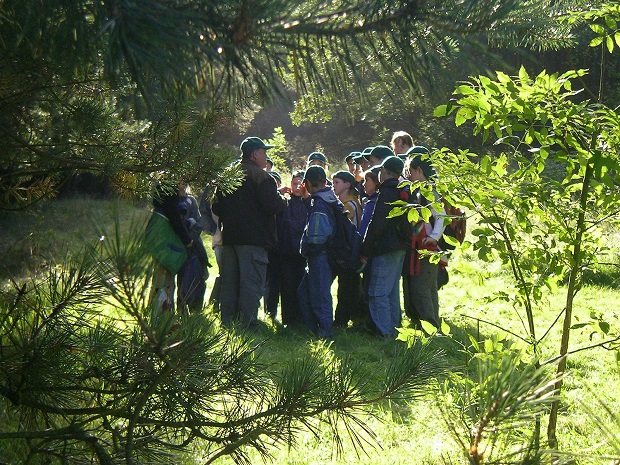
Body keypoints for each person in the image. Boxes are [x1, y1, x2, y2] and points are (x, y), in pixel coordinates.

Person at [212, 136, 288, 331]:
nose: (266, 156)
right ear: (255, 154)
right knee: (251, 284)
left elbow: (216, 206)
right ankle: (248, 326)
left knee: (230, 283)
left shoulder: (228, 176)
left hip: (230, 239)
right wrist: (283, 198)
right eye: (264, 152)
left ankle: (228, 323)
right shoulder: (262, 177)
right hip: (254, 241)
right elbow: (273, 205)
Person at [360, 156, 409, 338]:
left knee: (377, 292)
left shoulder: (387, 192)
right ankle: (395, 329)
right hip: (399, 247)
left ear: (386, 172)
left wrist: (365, 248)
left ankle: (386, 333)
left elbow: (377, 223)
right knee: (391, 291)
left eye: (380, 171)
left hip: (385, 247)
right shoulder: (402, 191)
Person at [403, 153, 446, 330]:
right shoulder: (424, 190)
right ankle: (433, 325)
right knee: (429, 288)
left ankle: (430, 326)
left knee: (421, 289)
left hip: (428, 248)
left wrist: (433, 237)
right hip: (425, 247)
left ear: (419, 170)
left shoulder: (429, 192)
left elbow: (442, 215)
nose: (409, 176)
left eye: (411, 171)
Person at [298, 165, 341, 339]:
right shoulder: (329, 198)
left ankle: (324, 333)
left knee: (320, 297)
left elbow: (318, 234)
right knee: (305, 292)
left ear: (307, 182)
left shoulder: (320, 203)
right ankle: (314, 329)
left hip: (319, 256)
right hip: (325, 255)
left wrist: (307, 248)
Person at [144, 181, 193, 313]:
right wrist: (187, 239)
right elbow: (174, 216)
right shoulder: (169, 188)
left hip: (156, 233)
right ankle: (161, 317)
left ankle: (157, 314)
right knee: (165, 280)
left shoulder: (161, 185)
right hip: (164, 235)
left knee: (159, 278)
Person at [275, 170, 310, 328]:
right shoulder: (285, 202)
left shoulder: (309, 202)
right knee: (287, 288)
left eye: (300, 184)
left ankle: (303, 319)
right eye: (294, 183)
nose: (297, 187)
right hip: (286, 252)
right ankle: (289, 321)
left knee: (302, 288)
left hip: (303, 254)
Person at [331, 170, 363, 329]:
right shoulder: (349, 203)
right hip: (349, 251)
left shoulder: (349, 205)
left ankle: (341, 322)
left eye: (337, 182)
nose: (333, 185)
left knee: (347, 289)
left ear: (347, 184)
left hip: (348, 251)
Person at [177, 181, 210, 313]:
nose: (182, 182)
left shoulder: (191, 201)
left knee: (191, 277)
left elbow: (198, 223)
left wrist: (190, 239)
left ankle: (191, 309)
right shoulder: (172, 199)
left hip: (192, 247)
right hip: (175, 245)